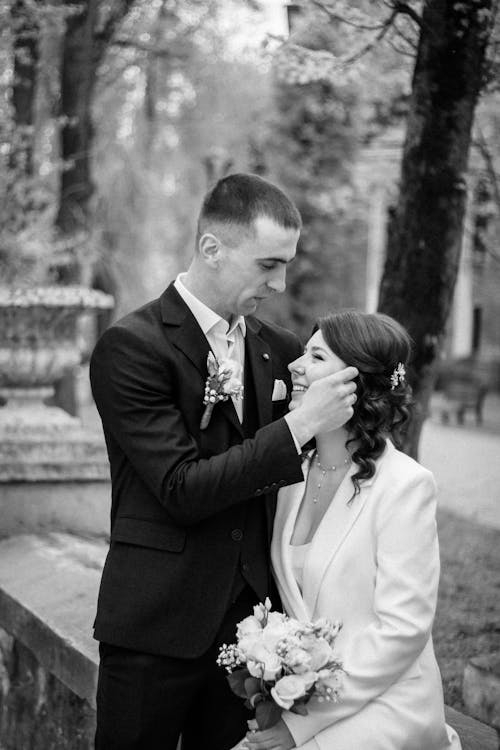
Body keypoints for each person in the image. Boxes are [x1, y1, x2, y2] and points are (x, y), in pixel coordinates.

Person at [89, 173, 358, 750]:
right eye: (267, 264)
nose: (280, 283)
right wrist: (300, 423)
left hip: (252, 638)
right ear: (212, 248)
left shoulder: (283, 350)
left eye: (285, 264)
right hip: (154, 628)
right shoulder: (132, 347)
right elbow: (182, 488)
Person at [244, 310, 461, 750]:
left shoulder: (404, 486)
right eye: (303, 353)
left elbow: (403, 631)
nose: (294, 366)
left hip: (389, 704)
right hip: (304, 702)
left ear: (352, 382)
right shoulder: (290, 476)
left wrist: (299, 727)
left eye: (316, 356)